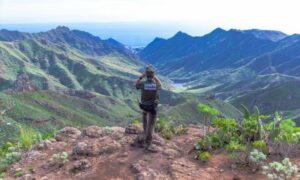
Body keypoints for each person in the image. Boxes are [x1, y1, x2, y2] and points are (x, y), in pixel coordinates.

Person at [135, 66, 162, 152]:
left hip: (144, 106)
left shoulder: (143, 84)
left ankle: (145, 135)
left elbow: (135, 84)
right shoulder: (155, 85)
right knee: (151, 124)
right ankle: (148, 142)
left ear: (146, 76)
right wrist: (155, 76)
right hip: (152, 107)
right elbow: (160, 84)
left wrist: (141, 76)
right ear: (153, 75)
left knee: (145, 121)